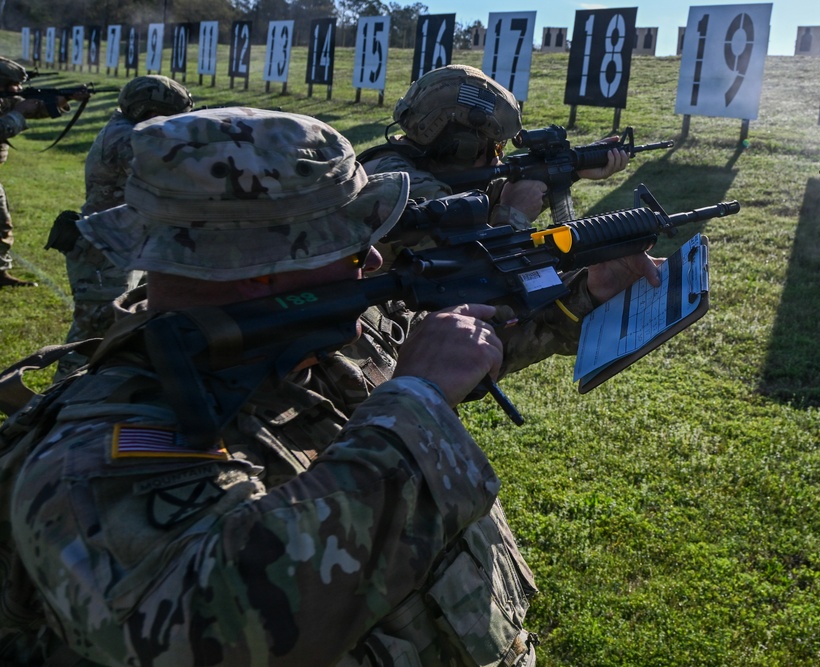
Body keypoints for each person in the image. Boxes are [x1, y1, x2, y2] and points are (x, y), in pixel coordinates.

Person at [0, 107, 660, 666]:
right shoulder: (92, 457)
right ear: (258, 268)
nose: (371, 255)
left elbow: (461, 344)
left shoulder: (323, 324)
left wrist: (579, 298)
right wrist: (417, 401)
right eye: (344, 239)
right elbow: (216, 625)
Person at [359, 65, 629, 265]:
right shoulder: (407, 187)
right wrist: (514, 213)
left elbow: (481, 200)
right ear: (460, 148)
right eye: (496, 147)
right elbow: (473, 274)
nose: (498, 159)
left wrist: (573, 169)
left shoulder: (412, 164)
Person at [48, 74, 194, 380]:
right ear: (148, 112)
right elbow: (175, 175)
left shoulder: (131, 128)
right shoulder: (127, 138)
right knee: (91, 339)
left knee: (127, 327)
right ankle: (56, 400)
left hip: (124, 244)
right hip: (104, 252)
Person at [0, 56, 87, 288]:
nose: (17, 90)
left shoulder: (5, 100)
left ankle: (0, 272)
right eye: (12, 85)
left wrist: (65, 98)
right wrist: (18, 113)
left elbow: (31, 108)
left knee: (1, 222)